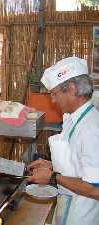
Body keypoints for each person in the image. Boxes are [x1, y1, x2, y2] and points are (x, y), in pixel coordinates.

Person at [27, 56, 99, 225]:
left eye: (54, 93)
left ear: (72, 89)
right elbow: (78, 166)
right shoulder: (74, 118)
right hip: (67, 208)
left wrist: (53, 177)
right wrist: (51, 166)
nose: (53, 100)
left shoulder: (91, 128)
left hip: (83, 214)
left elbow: (96, 189)